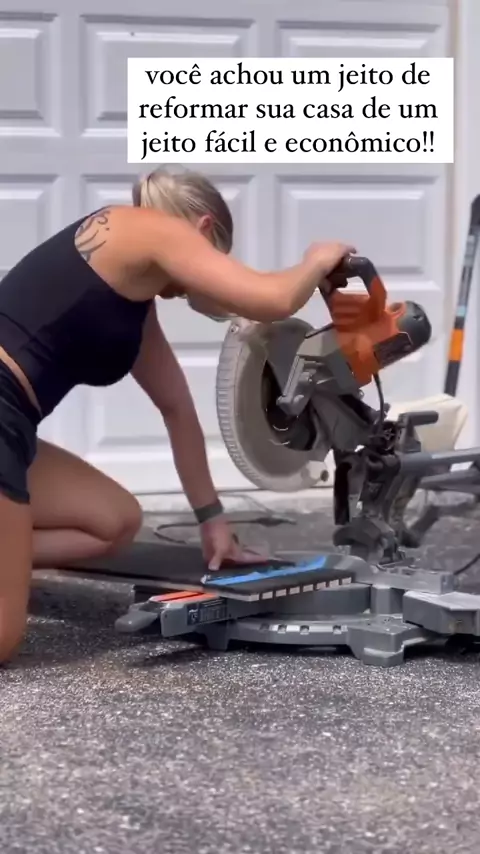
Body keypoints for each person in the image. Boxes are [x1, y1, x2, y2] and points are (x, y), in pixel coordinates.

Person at [0, 166, 355, 664]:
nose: (197, 286)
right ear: (203, 228)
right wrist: (318, 259)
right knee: (3, 637)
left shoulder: (132, 297)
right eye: (215, 258)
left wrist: (213, 521)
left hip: (14, 426)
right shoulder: (149, 228)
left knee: (113, 521)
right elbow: (272, 298)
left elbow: (177, 408)